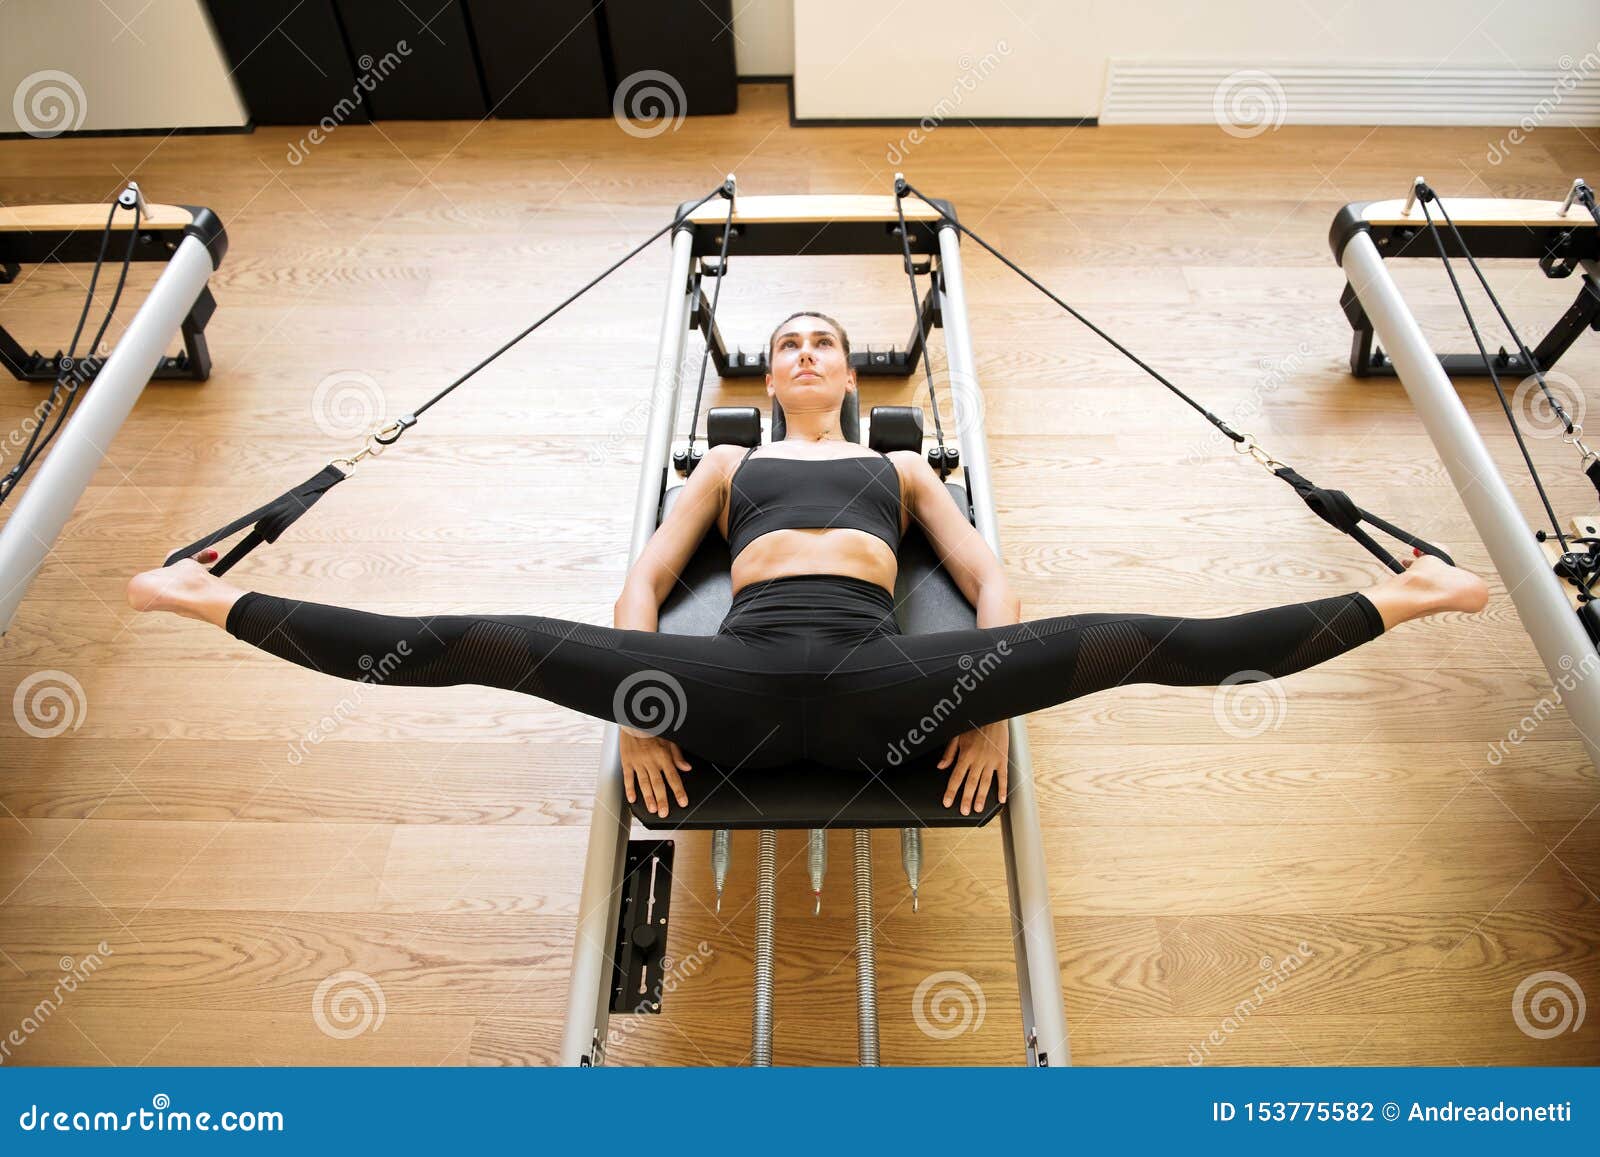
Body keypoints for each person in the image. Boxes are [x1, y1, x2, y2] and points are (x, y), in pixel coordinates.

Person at [127, 311, 1489, 820]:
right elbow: (644, 587)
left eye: (824, 342)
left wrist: (993, 710)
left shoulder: (905, 466)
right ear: (767, 377)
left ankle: (1404, 595)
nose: (805, 355)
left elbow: (986, 576)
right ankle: (215, 595)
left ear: (853, 369)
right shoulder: (725, 466)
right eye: (786, 345)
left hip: (906, 679)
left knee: (1141, 637)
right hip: (728, 681)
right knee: (482, 637)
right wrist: (635, 706)